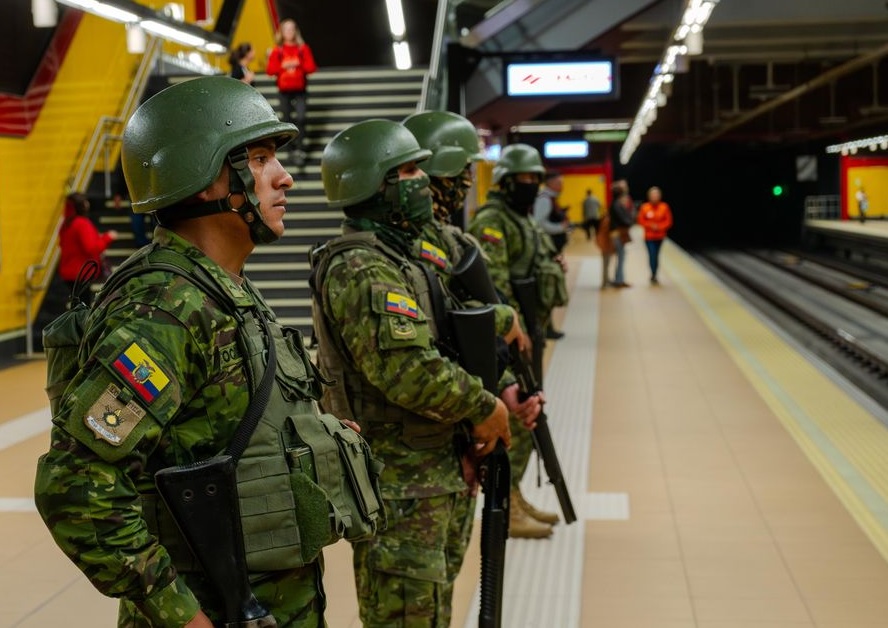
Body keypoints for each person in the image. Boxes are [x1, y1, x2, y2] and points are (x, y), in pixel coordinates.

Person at [34, 76, 340, 627]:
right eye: (262, 158)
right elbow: (76, 487)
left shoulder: (224, 291)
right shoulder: (164, 309)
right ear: (206, 178)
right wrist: (179, 615)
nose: (285, 177)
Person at [311, 119, 512, 627]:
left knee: (433, 612)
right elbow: (409, 373)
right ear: (375, 187)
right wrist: (484, 407)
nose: (423, 179)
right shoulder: (361, 268)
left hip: (432, 473)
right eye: (407, 170)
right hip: (398, 488)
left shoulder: (403, 257)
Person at [403, 109, 542, 603]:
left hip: (454, 433)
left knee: (443, 590)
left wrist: (499, 382)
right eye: (457, 175)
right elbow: (416, 358)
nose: (465, 184)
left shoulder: (445, 241)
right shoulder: (392, 255)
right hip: (415, 451)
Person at [467, 143, 569, 539]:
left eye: (535, 179)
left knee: (530, 413)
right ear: (507, 183)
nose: (531, 185)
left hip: (529, 332)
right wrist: (512, 334)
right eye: (525, 179)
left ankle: (515, 496)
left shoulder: (524, 220)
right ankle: (505, 503)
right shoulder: (493, 221)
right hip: (509, 339)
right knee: (516, 418)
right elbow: (494, 288)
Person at [266, 19, 317, 166]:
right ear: (281, 32)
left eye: (292, 29)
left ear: (296, 31)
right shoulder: (278, 50)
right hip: (284, 90)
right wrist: (283, 66)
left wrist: (298, 63)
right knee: (286, 119)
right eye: (286, 29)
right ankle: (290, 149)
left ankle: (300, 149)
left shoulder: (303, 48)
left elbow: (311, 67)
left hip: (300, 89)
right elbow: (270, 70)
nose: (289, 32)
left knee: (301, 118)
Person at [58, 192, 118, 298]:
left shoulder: (66, 224)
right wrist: (107, 237)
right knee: (84, 306)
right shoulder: (82, 223)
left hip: (68, 271)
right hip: (82, 272)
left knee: (77, 304)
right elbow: (91, 248)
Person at [636, 186, 673, 285]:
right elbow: (640, 220)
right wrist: (650, 226)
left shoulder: (664, 207)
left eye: (656, 194)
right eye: (653, 194)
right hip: (649, 237)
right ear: (649, 196)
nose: (655, 196)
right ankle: (653, 274)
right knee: (652, 255)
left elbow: (668, 221)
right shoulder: (645, 207)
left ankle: (655, 272)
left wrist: (659, 227)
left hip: (660, 236)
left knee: (656, 255)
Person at [533, 170, 569, 253]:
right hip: (548, 246)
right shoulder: (544, 199)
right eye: (559, 183)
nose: (562, 186)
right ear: (550, 183)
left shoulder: (551, 198)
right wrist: (560, 227)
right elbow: (539, 224)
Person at [609, 179, 635, 288]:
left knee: (621, 256)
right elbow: (624, 219)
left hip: (617, 233)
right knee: (621, 256)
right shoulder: (617, 205)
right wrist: (631, 220)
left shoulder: (615, 204)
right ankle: (619, 280)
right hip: (618, 234)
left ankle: (619, 279)